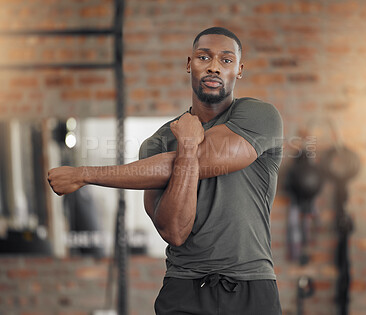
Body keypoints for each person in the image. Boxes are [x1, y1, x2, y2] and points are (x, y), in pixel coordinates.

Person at [48, 26, 283, 315]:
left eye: (226, 60)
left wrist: (83, 174)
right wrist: (185, 146)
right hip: (184, 289)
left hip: (252, 286)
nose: (213, 67)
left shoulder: (259, 116)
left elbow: (210, 157)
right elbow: (174, 231)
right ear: (189, 64)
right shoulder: (158, 142)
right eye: (203, 57)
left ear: (239, 69)